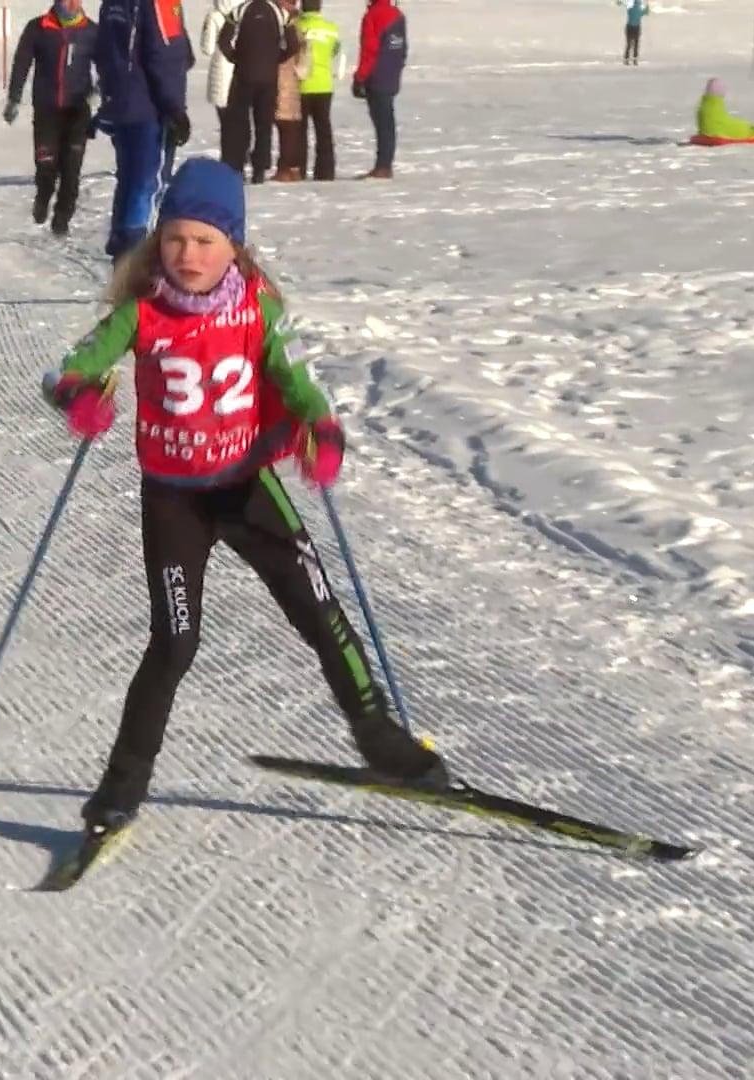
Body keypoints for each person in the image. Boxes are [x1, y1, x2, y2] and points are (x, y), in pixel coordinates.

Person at [40, 156, 450, 838]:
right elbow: (69, 368)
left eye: (205, 240)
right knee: (174, 642)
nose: (188, 254)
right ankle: (120, 787)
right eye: (175, 238)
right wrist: (79, 396)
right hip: (173, 498)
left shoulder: (256, 308)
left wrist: (319, 427)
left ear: (234, 244)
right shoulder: (142, 316)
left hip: (246, 485)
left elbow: (296, 380)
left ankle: (380, 741)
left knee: (320, 613)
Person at [93, 0, 191, 257]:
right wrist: (174, 108)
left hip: (123, 104)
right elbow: (164, 55)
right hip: (150, 106)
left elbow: (103, 49)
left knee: (129, 181)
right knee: (148, 184)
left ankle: (122, 250)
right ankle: (136, 259)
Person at [6, 0, 103, 234]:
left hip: (78, 112)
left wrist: (99, 92)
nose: (72, 4)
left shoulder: (91, 31)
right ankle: (43, 197)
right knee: (46, 168)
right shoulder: (38, 28)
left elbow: (108, 67)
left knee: (71, 171)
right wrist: (14, 99)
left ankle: (62, 219)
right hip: (46, 111)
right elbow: (21, 63)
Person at [216, 0, 297, 184]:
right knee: (264, 125)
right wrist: (276, 58)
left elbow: (223, 40)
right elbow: (293, 44)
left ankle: (237, 166)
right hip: (268, 77)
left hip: (244, 75)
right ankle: (260, 169)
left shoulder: (239, 10)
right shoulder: (279, 12)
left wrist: (235, 57)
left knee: (239, 123)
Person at [351, 0, 403, 179]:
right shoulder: (397, 15)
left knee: (382, 121)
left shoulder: (373, 16)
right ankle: (385, 164)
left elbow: (369, 50)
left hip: (376, 75)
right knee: (387, 121)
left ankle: (383, 166)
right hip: (391, 73)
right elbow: (402, 48)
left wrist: (360, 77)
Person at [293, 0, 340, 181]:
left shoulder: (297, 26)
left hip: (302, 85)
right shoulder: (331, 28)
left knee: (300, 131)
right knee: (323, 130)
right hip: (324, 85)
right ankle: (326, 171)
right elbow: (335, 50)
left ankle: (300, 169)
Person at [199, 0, 238, 152]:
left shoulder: (214, 15)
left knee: (224, 120)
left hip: (221, 67)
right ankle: (243, 152)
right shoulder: (244, 11)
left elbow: (207, 48)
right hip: (242, 66)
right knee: (241, 118)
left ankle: (228, 153)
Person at [271, 0, 303, 182]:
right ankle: (293, 167)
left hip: (283, 75)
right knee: (291, 123)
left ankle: (285, 168)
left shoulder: (286, 21)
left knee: (284, 122)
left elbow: (290, 46)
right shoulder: (297, 20)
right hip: (293, 76)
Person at [689, 77, 754, 145]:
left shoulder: (704, 105)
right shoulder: (713, 105)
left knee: (739, 125)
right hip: (716, 132)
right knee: (742, 127)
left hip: (706, 131)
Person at [622, 0, 645, 65]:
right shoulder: (640, 11)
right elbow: (647, 12)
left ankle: (626, 58)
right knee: (636, 44)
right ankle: (635, 59)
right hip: (636, 28)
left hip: (629, 28)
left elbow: (627, 7)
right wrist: (648, 6)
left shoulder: (630, 10)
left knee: (629, 44)